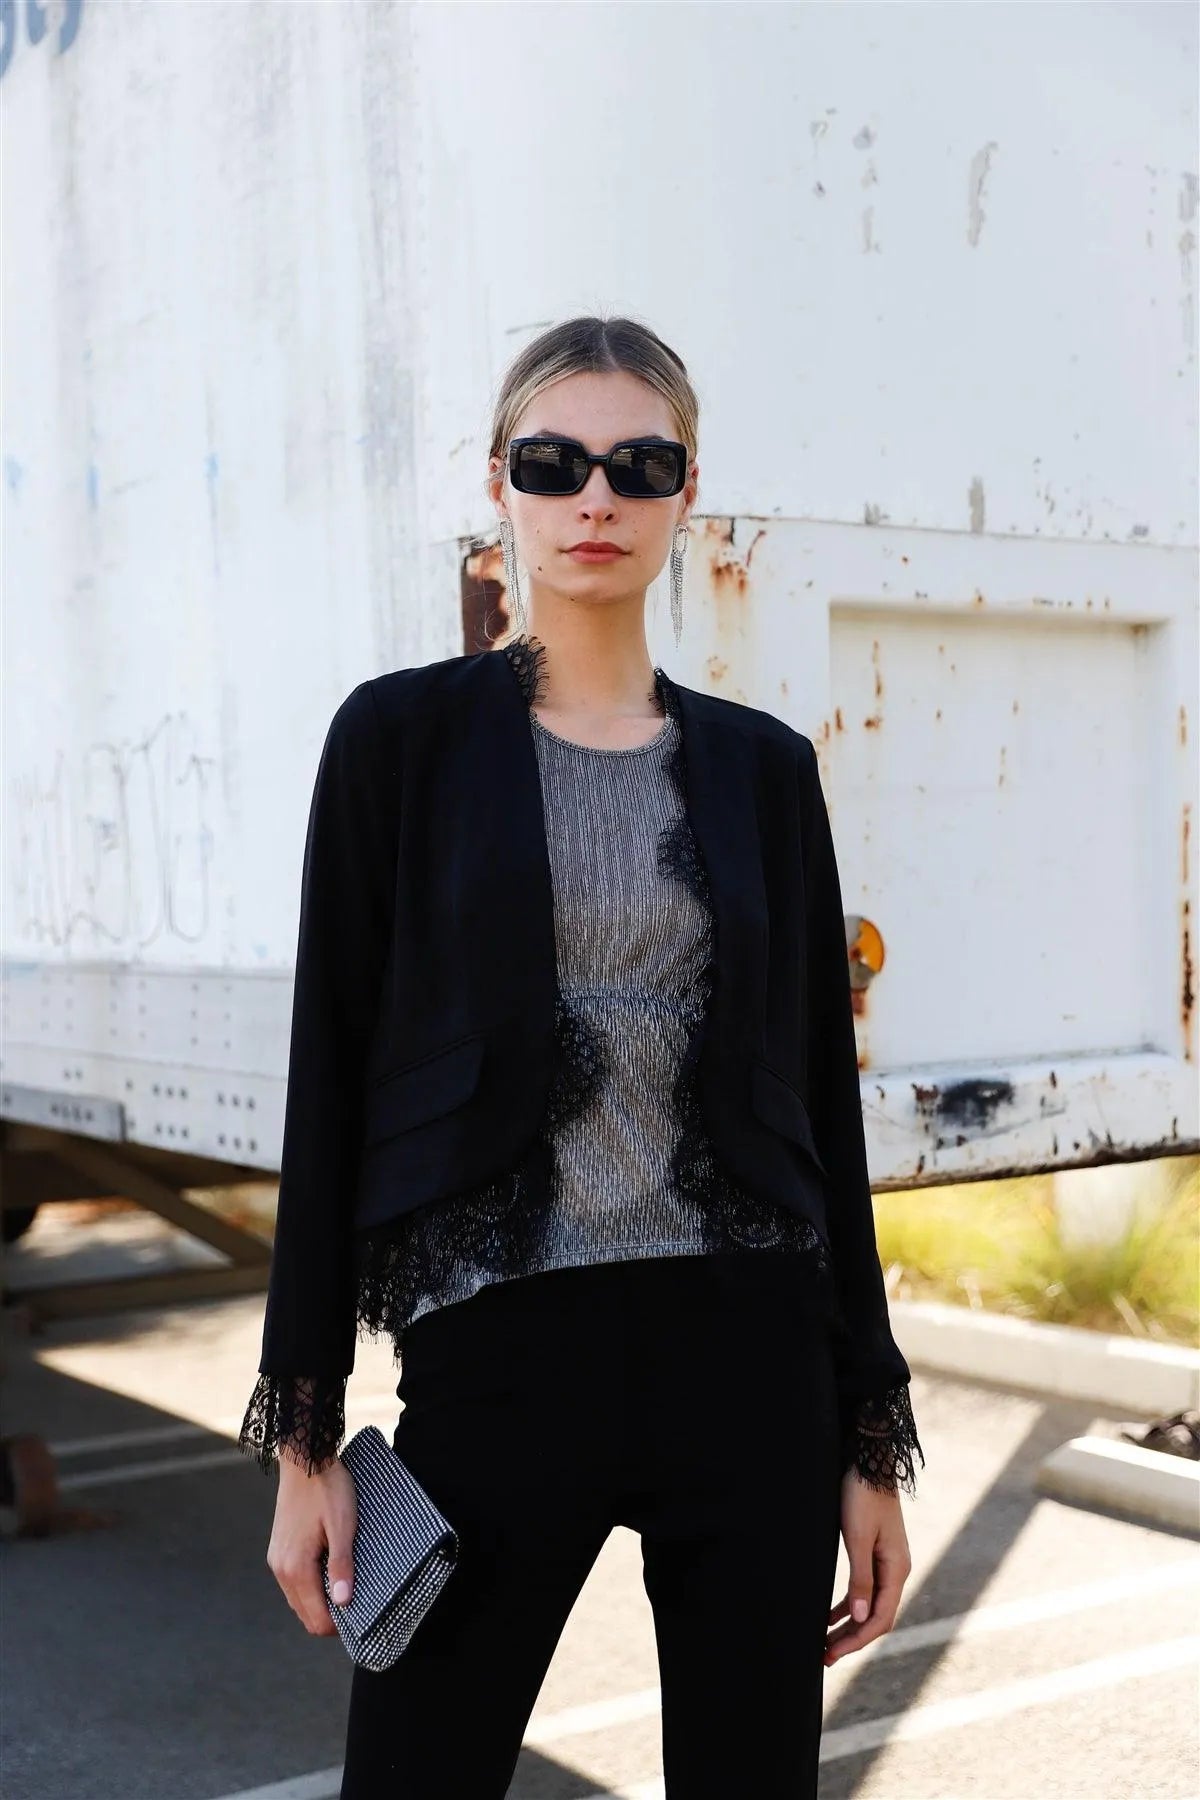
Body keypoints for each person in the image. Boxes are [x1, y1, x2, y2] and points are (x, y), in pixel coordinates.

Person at [238, 315, 925, 1798]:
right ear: (500, 481)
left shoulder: (763, 768)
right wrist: (303, 1433)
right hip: (498, 1359)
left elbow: (820, 1103)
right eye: (554, 463)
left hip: (749, 1363)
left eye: (638, 465)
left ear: (689, 490)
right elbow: (329, 1075)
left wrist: (870, 1439)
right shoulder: (399, 743)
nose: (595, 498)